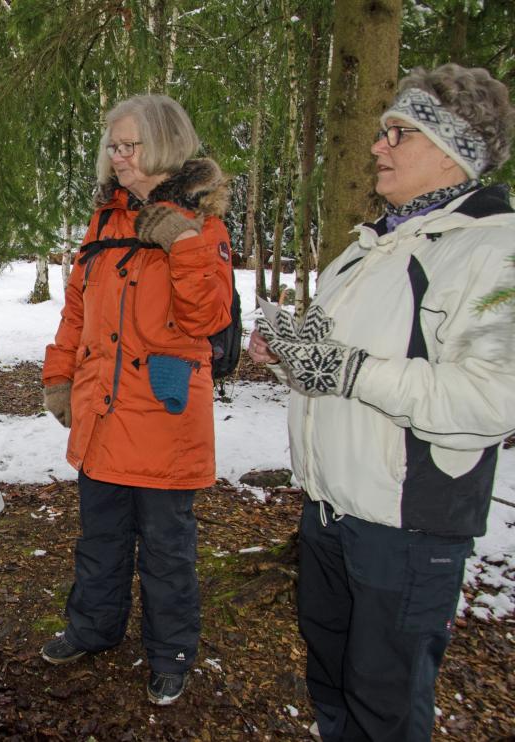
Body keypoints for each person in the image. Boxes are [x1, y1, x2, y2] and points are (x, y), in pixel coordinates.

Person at [248, 64, 515, 741]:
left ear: (455, 148)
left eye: (399, 133)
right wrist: (292, 357)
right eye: (380, 132)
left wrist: (345, 367)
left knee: (386, 708)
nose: (377, 147)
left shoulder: (495, 251)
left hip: (407, 530)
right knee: (332, 685)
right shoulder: (372, 246)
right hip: (331, 513)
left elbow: (493, 398)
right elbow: (337, 376)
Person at [40, 94, 234, 706]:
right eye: (113, 146)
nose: (118, 157)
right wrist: (59, 374)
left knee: (168, 550)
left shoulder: (202, 225)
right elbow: (78, 308)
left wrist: (183, 244)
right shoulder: (106, 222)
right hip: (102, 409)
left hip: (163, 414)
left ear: (166, 144)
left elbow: (207, 316)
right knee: (99, 536)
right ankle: (93, 629)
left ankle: (171, 654)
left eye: (130, 145)